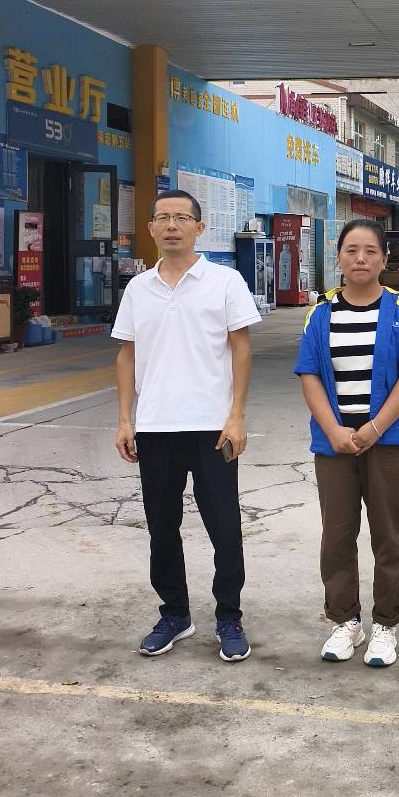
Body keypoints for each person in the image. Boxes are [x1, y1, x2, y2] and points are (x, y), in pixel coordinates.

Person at [113, 189, 261, 662]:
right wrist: (125, 419)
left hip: (213, 427)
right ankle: (175, 614)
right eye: (163, 218)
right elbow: (127, 354)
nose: (171, 225)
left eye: (181, 217)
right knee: (162, 527)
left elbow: (241, 349)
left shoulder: (225, 281)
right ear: (151, 229)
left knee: (225, 527)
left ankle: (229, 617)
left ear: (200, 227)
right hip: (156, 427)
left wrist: (236, 416)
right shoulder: (138, 289)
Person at [295, 219, 399, 668]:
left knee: (388, 534)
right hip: (333, 444)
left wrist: (375, 428)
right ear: (338, 257)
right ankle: (344, 620)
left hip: (387, 442)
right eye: (351, 250)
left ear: (384, 259)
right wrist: (334, 431)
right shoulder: (320, 313)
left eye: (371, 250)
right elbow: (310, 374)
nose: (361, 259)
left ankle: (386, 623)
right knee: (337, 534)